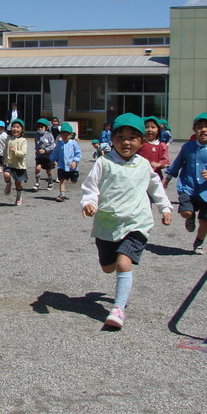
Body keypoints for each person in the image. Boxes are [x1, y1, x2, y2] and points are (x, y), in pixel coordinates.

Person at [81, 113, 172, 329]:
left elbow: (155, 187)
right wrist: (89, 203)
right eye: (120, 137)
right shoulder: (104, 162)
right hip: (107, 224)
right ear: (112, 139)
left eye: (132, 137)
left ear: (142, 141)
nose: (126, 142)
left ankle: (118, 309)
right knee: (107, 267)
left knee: (124, 263)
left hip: (136, 222)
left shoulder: (143, 165)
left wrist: (165, 207)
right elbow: (90, 187)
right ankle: (114, 278)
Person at [163, 113, 207, 255]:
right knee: (186, 212)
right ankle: (190, 217)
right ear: (194, 129)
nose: (203, 130)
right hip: (188, 187)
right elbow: (177, 163)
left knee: (204, 222)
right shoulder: (188, 147)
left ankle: (199, 243)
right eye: (200, 127)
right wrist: (167, 178)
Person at [51, 122, 81, 202]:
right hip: (62, 166)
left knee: (73, 181)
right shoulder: (59, 144)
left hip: (72, 167)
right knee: (62, 180)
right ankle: (62, 194)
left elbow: (78, 153)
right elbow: (55, 153)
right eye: (63, 134)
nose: (64, 136)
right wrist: (52, 160)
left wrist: (75, 161)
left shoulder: (74, 144)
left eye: (66, 135)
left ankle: (74, 178)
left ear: (71, 135)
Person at [3, 119, 28, 205]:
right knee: (6, 175)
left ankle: (18, 196)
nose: (15, 129)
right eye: (13, 127)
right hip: (9, 164)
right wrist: (4, 159)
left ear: (22, 129)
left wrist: (15, 152)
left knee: (18, 184)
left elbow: (23, 153)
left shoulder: (23, 140)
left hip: (19, 165)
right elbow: (5, 150)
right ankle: (9, 183)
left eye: (18, 127)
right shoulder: (8, 139)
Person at [33, 118, 56, 189]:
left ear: (46, 127)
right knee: (37, 168)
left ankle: (50, 182)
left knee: (48, 170)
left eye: (42, 127)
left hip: (47, 156)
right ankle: (37, 183)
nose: (40, 128)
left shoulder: (49, 135)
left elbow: (53, 145)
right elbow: (36, 145)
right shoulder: (36, 135)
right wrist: (37, 151)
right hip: (39, 156)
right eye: (39, 127)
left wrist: (45, 150)